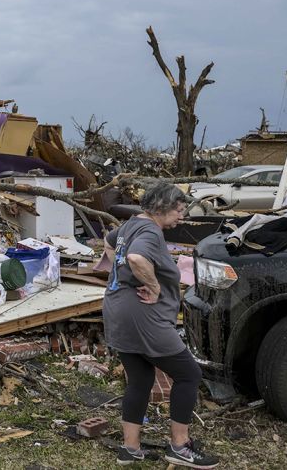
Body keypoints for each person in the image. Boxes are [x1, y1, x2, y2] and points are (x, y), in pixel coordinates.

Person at [103, 182, 220, 469]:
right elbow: (136, 257)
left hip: (118, 310)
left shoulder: (131, 224)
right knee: (189, 374)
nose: (181, 216)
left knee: (140, 379)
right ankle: (180, 446)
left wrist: (123, 278)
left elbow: (109, 242)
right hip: (143, 316)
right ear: (163, 208)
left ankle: (130, 449)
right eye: (179, 211)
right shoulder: (150, 230)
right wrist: (152, 286)